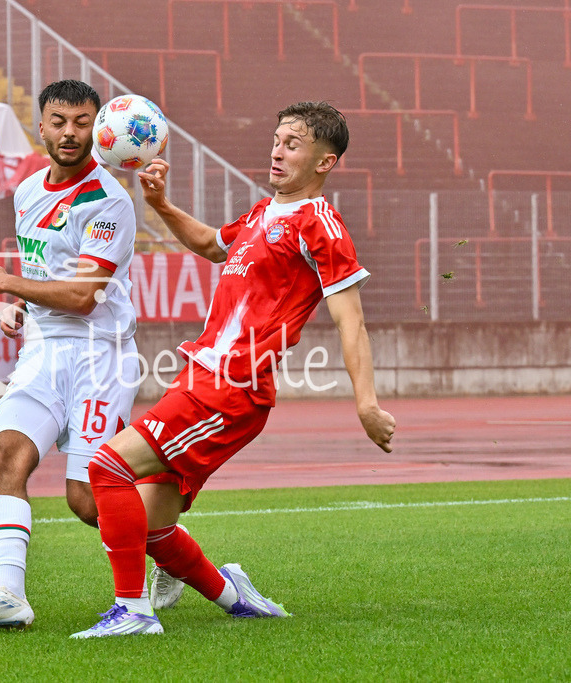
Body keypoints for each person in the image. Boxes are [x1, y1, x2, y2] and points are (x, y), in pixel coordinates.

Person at [69, 101, 397, 638]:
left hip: (231, 388)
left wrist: (366, 404)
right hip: (204, 379)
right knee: (152, 527)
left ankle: (132, 612)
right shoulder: (261, 214)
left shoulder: (321, 226)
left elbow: (351, 322)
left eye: (293, 143)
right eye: (276, 138)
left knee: (107, 469)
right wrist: (161, 203)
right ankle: (234, 595)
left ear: (325, 161)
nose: (277, 149)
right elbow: (208, 243)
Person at [0, 80, 141, 631]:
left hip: (99, 356)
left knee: (86, 500)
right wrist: (19, 307)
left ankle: (165, 542)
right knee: (7, 456)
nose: (70, 133)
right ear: (42, 127)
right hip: (42, 352)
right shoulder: (28, 192)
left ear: (99, 129)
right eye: (59, 121)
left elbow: (83, 297)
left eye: (82, 122)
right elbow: (45, 277)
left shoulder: (109, 201)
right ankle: (10, 595)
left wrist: (8, 282)